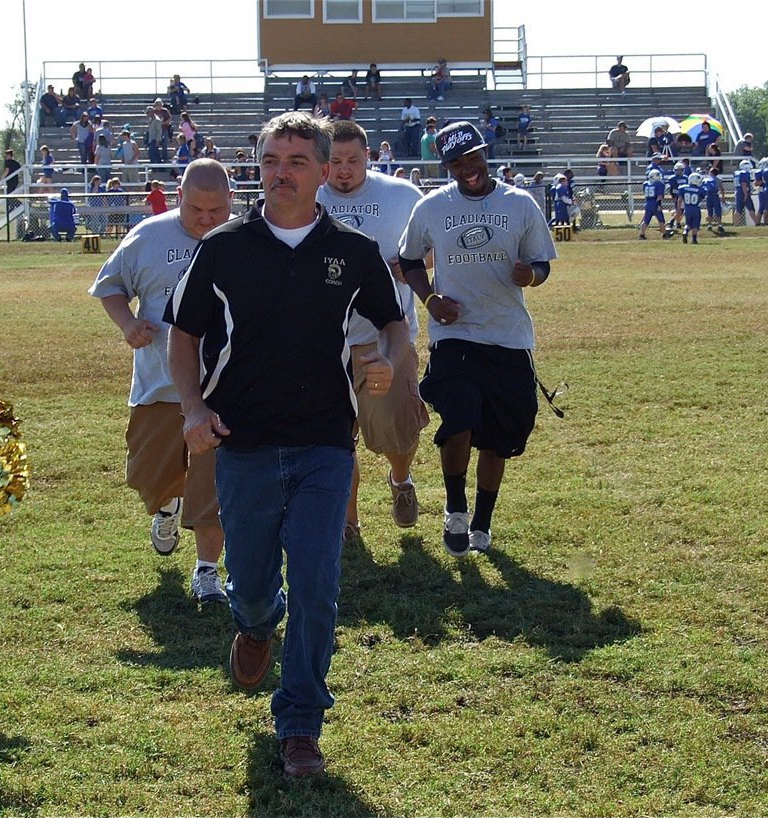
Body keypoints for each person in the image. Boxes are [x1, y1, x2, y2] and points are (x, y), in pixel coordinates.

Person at [166, 112, 407, 777]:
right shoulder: (224, 247)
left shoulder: (353, 251)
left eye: (296, 161)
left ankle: (299, 721)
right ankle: (253, 622)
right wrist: (191, 406)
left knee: (318, 582)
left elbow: (394, 324)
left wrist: (387, 361)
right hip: (240, 442)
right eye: (271, 160)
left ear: (325, 171)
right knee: (251, 585)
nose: (280, 172)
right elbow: (182, 336)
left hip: (325, 442)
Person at [397, 120, 557, 557]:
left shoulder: (520, 204)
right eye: (456, 163)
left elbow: (543, 263)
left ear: (485, 155)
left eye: (473, 157)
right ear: (446, 166)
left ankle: (482, 523)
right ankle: (455, 509)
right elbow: (408, 259)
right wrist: (429, 298)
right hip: (456, 334)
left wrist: (533, 275)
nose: (467, 168)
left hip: (508, 335)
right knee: (459, 417)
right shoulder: (430, 208)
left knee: (500, 435)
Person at [89, 159, 234, 601]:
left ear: (232, 201)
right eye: (196, 210)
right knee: (149, 477)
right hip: (158, 385)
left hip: (221, 390)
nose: (207, 220)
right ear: (178, 197)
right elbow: (110, 285)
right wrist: (127, 323)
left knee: (214, 484)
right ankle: (167, 505)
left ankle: (207, 570)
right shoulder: (148, 236)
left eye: (217, 211)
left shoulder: (244, 239)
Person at [317, 120, 429, 541]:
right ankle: (348, 521)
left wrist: (415, 265)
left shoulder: (402, 196)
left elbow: (432, 249)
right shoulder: (308, 196)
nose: (344, 170)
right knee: (334, 436)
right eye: (335, 161)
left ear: (370, 157)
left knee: (397, 427)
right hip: (325, 339)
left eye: (353, 161)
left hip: (387, 336)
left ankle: (400, 480)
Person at [638, 168, 667, 240]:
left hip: (648, 202)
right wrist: (659, 205)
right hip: (655, 202)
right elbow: (659, 196)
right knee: (661, 220)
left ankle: (641, 234)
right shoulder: (659, 184)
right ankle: (664, 234)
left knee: (646, 220)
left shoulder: (646, 184)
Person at [679, 171, 706, 244]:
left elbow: (680, 199)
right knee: (695, 225)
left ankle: (685, 231)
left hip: (687, 208)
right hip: (696, 209)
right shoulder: (700, 190)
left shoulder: (683, 188)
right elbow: (702, 196)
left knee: (688, 224)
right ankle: (694, 239)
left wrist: (679, 209)